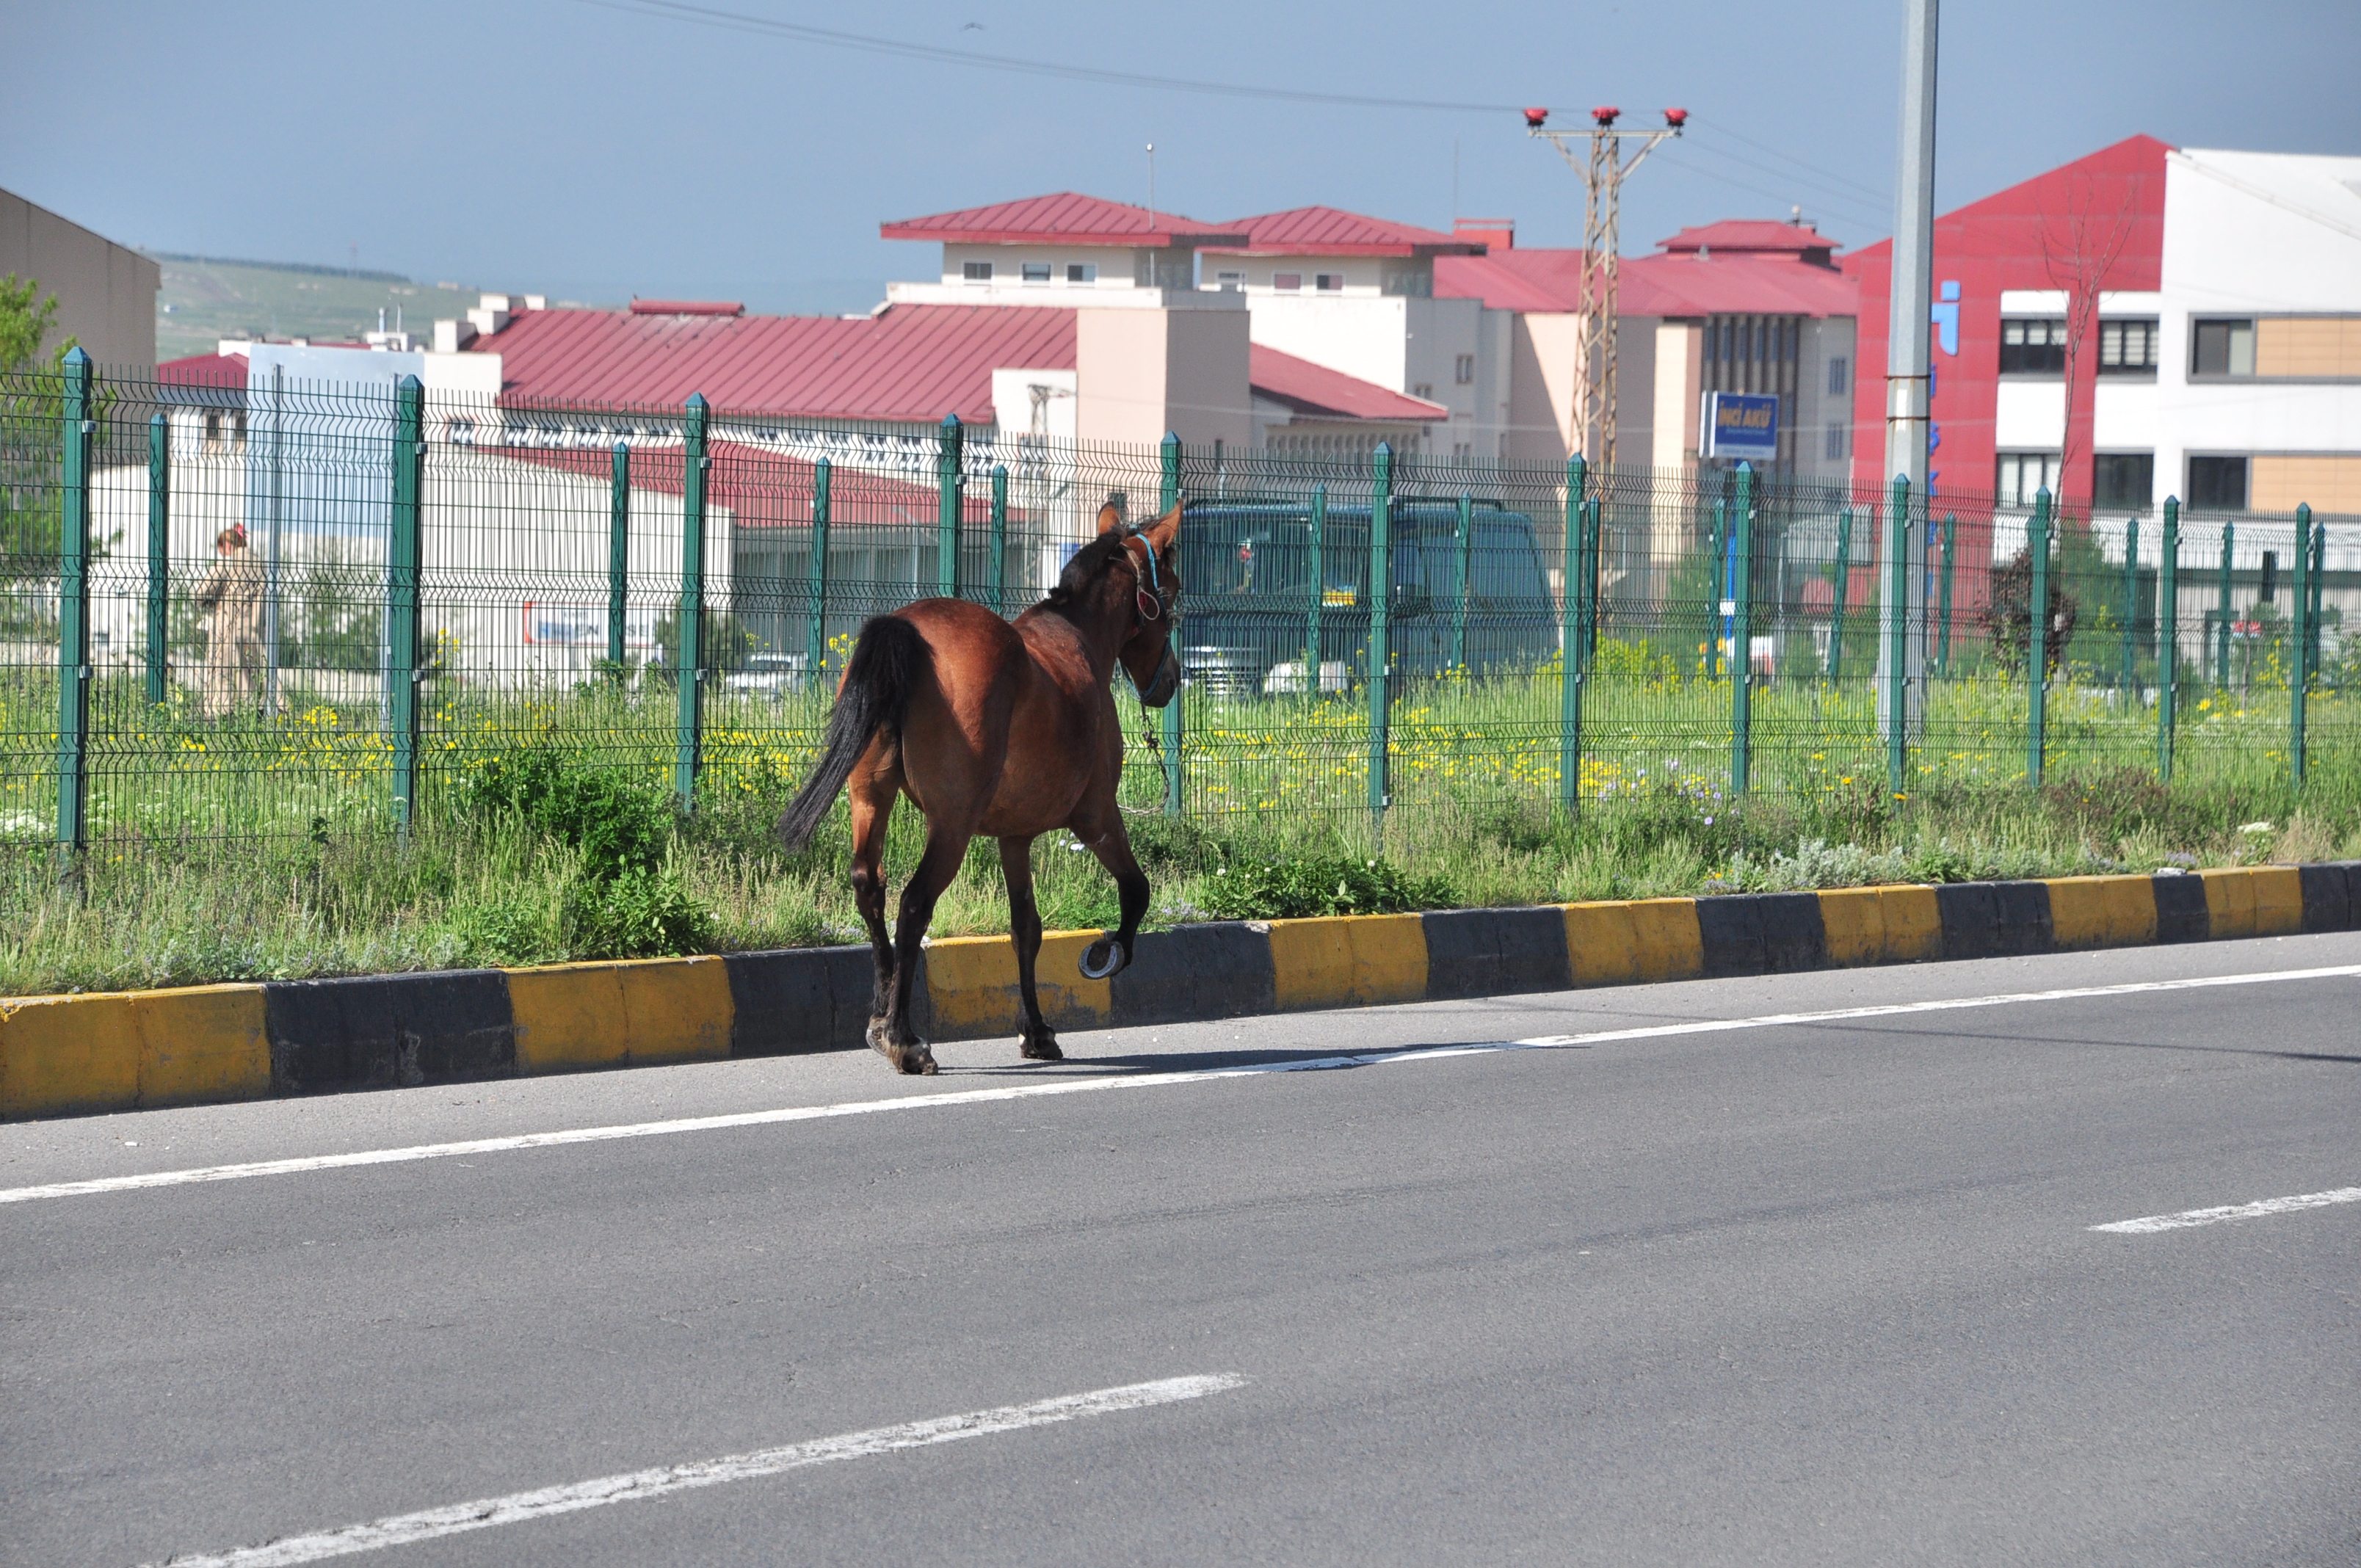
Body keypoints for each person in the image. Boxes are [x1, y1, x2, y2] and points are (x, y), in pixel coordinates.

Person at [193, 524, 264, 719]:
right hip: (251, 627)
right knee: (247, 670)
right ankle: (249, 711)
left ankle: (220, 712)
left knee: (220, 669)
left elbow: (200, 592)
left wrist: (205, 602)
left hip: (225, 624)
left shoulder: (227, 564)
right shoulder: (260, 564)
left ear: (227, 545)